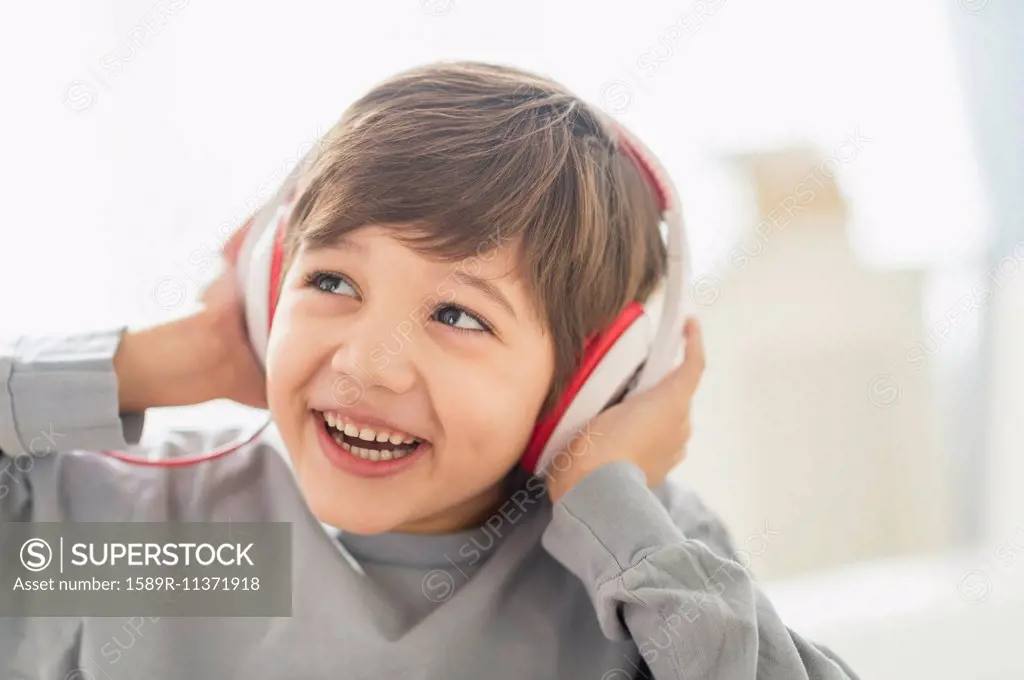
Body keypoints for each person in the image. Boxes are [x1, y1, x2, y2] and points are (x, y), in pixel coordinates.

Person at [0, 61, 859, 679]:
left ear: (585, 384)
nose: (368, 365)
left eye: (458, 315)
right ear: (270, 294)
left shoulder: (633, 571)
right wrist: (154, 364)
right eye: (330, 281)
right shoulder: (190, 544)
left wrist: (610, 503)